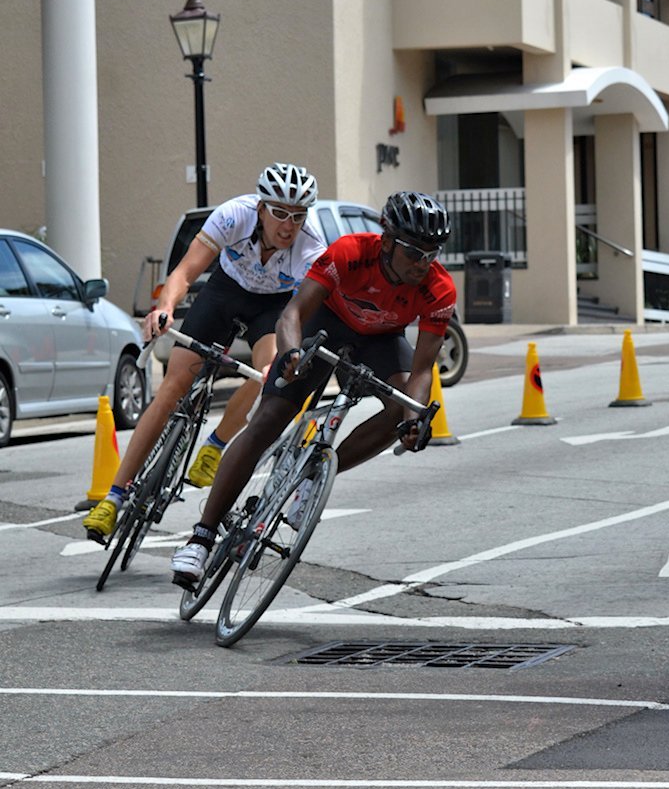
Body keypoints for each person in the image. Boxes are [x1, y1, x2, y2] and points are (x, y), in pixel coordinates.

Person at [169, 189, 457, 588]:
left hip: (380, 340)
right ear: (388, 241)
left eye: (433, 253)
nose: (423, 263)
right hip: (327, 322)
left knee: (399, 404)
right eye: (414, 252)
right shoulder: (350, 252)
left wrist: (412, 418)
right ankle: (201, 538)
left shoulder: (439, 288)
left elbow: (422, 369)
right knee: (269, 419)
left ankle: (317, 474)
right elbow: (293, 313)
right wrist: (289, 355)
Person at [83, 164, 324, 544]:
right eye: (279, 213)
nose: (288, 225)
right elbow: (184, 272)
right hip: (225, 292)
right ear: (261, 208)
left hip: (272, 306)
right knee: (174, 386)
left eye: (298, 216)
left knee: (269, 372)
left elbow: (304, 311)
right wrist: (165, 307)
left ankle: (216, 444)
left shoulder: (311, 246)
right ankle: (114, 496)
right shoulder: (232, 215)